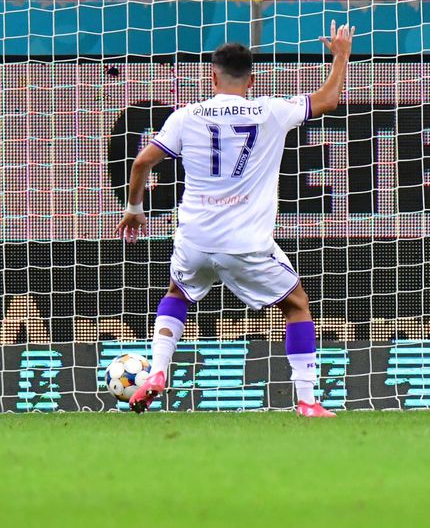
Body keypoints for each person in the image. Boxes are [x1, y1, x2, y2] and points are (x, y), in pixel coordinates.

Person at [115, 22, 355, 417]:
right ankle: (307, 400)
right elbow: (328, 100)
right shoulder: (270, 111)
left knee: (177, 294)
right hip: (245, 244)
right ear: (252, 80)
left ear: (213, 77)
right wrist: (341, 55)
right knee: (296, 304)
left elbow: (142, 162)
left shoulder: (186, 116)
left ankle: (157, 371)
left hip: (195, 239)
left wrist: (134, 209)